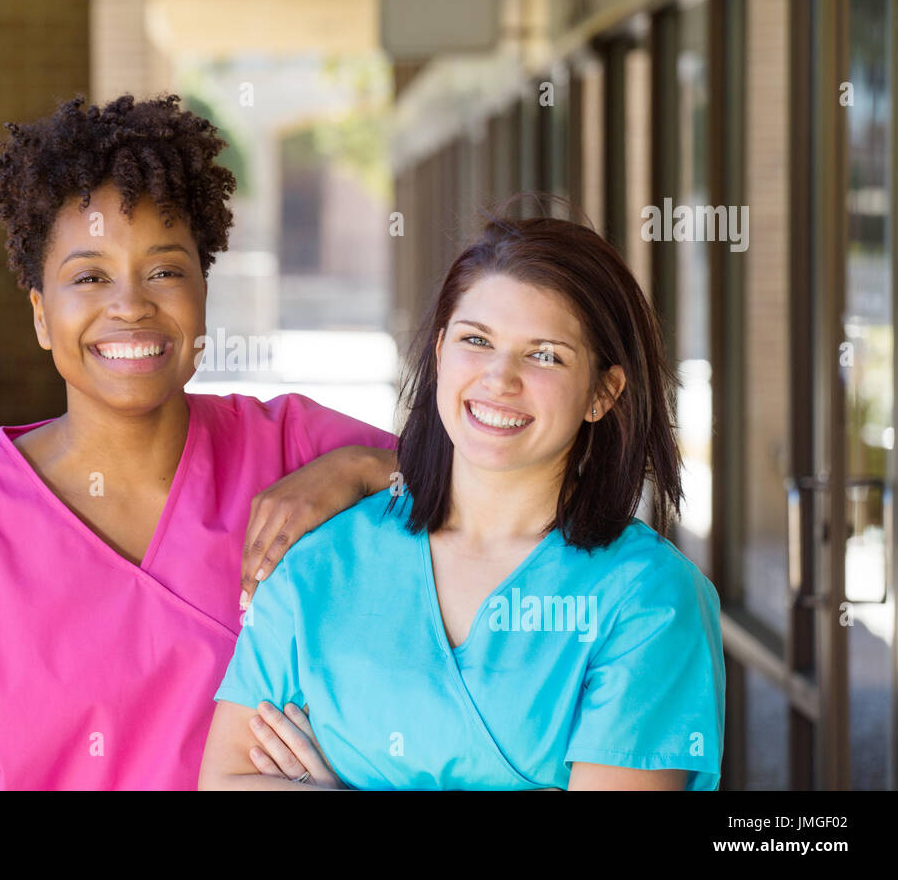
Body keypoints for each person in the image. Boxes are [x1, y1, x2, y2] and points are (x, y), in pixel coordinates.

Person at [0, 94, 397, 789]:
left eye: (165, 271)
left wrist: (364, 469)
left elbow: (526, 498)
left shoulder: (300, 453)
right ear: (40, 315)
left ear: (203, 293)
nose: (130, 305)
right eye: (89, 276)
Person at [200, 210, 726, 790]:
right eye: (477, 341)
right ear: (441, 350)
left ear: (603, 392)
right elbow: (226, 779)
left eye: (545, 354)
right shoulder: (319, 563)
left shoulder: (648, 598)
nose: (500, 378)